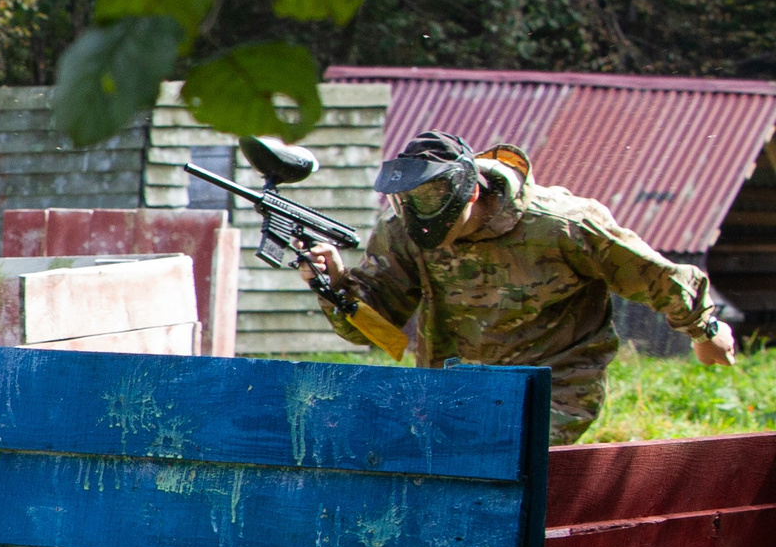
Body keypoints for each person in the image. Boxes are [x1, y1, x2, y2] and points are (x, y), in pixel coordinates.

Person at [300, 130, 737, 443]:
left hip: (555, 385)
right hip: (453, 387)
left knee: (512, 481)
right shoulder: (402, 229)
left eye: (433, 204)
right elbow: (377, 325)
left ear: (470, 193)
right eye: (408, 202)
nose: (419, 216)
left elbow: (656, 275)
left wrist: (705, 330)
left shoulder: (561, 224)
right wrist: (335, 282)